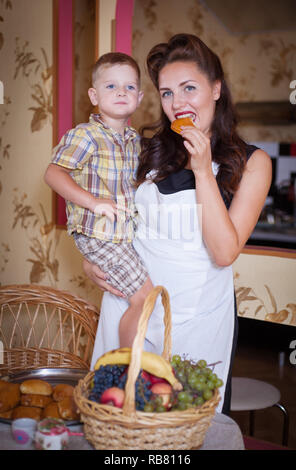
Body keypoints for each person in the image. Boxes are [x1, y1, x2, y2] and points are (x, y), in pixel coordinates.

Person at [83, 34, 272, 414]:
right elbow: (114, 218)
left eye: (189, 88)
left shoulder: (252, 163)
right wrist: (93, 260)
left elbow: (223, 252)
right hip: (127, 306)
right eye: (167, 93)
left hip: (193, 319)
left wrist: (203, 170)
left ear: (216, 89)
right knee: (113, 416)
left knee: (180, 423)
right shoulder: (146, 149)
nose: (177, 103)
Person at [44, 52, 153, 349]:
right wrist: (93, 202)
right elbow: (53, 174)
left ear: (140, 97)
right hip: (99, 234)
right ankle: (126, 366)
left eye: (129, 87)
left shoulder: (135, 141)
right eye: (111, 86)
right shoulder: (85, 136)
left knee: (138, 295)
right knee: (144, 298)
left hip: (121, 235)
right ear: (94, 95)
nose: (121, 92)